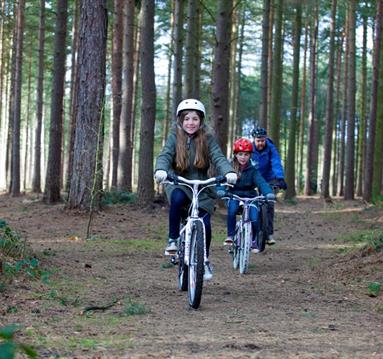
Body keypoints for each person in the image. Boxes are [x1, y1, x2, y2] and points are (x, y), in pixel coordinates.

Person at [154, 99, 237, 280]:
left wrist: (229, 172)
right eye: (187, 119)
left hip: (201, 185)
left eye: (195, 119)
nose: (190, 123)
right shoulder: (174, 137)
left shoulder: (207, 139)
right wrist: (161, 170)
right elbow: (165, 155)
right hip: (179, 181)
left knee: (205, 225)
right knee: (177, 199)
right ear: (180, 121)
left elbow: (219, 158)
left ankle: (204, 260)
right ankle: (173, 239)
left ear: (201, 121)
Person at [223, 138, 274, 253]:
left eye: (246, 154)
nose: (243, 157)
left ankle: (253, 241)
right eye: (240, 154)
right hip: (234, 195)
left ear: (250, 155)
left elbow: (261, 182)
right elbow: (223, 180)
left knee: (255, 218)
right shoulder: (230, 168)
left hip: (251, 196)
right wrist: (221, 190)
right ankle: (230, 235)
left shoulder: (253, 170)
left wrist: (268, 193)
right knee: (232, 210)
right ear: (235, 154)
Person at [251, 127, 287, 245]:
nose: (260, 143)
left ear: (266, 139)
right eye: (258, 140)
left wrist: (280, 178)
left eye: (262, 140)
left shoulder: (271, 148)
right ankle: (249, 231)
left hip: (268, 179)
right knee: (251, 203)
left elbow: (276, 162)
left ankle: (269, 234)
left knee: (270, 203)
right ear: (254, 140)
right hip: (253, 178)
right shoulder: (249, 149)